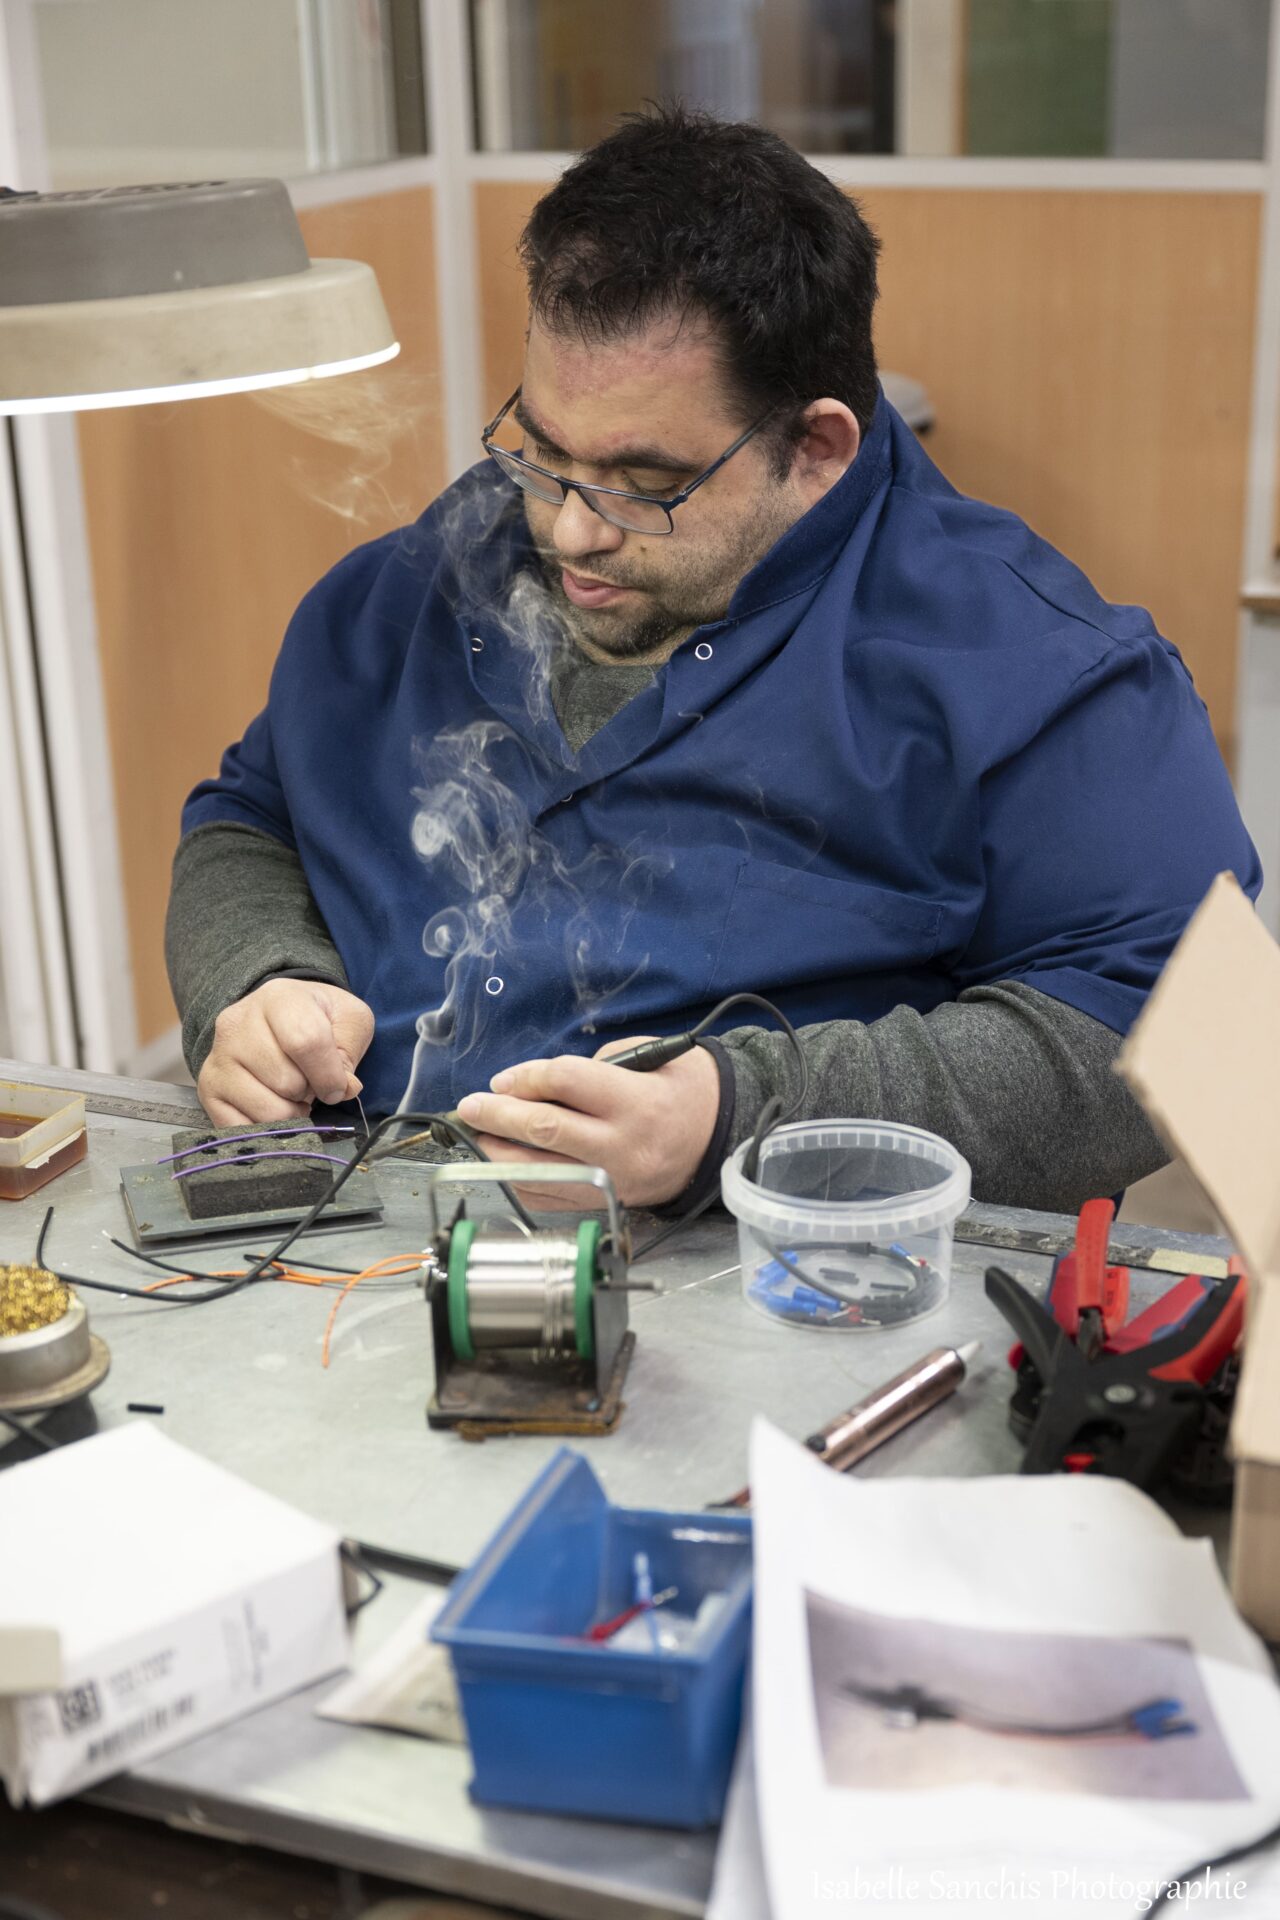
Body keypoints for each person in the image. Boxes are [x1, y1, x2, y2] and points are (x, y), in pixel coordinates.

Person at [167, 105, 1259, 1215]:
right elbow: (251, 818)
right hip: (353, 1237)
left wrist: (744, 1121)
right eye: (544, 450)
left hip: (775, 1270)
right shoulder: (409, 592)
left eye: (646, 483)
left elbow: (1174, 1029)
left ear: (815, 447)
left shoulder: (1036, 672)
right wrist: (255, 980)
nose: (571, 531)